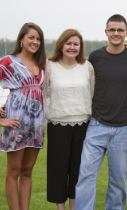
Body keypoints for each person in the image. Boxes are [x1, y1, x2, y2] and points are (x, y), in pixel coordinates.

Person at [75, 14, 127, 210]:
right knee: (86, 177)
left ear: (126, 33)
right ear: (106, 32)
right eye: (112, 30)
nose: (116, 33)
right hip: (97, 125)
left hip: (124, 128)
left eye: (120, 30)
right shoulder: (96, 57)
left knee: (118, 181)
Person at [0, 22, 46, 210]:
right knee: (14, 171)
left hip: (37, 125)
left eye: (38, 39)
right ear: (21, 39)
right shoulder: (9, 61)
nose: (35, 42)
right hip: (16, 124)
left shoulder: (41, 64)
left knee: (27, 171)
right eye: (31, 37)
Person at [44, 29, 94, 210]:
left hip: (83, 124)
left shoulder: (87, 67)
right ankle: (60, 207)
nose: (72, 47)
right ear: (61, 45)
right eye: (69, 43)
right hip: (58, 125)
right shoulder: (49, 66)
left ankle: (74, 206)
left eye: (76, 44)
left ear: (80, 47)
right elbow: (43, 94)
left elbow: (92, 93)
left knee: (77, 169)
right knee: (58, 168)